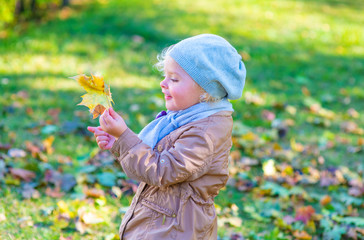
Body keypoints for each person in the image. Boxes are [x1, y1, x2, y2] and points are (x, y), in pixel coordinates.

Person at [88, 33, 246, 240]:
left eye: (174, 79)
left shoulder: (205, 131)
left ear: (206, 91)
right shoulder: (186, 119)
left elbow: (163, 170)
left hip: (176, 229)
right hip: (164, 223)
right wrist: (120, 142)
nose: (163, 83)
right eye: (165, 76)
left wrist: (126, 136)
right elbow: (159, 156)